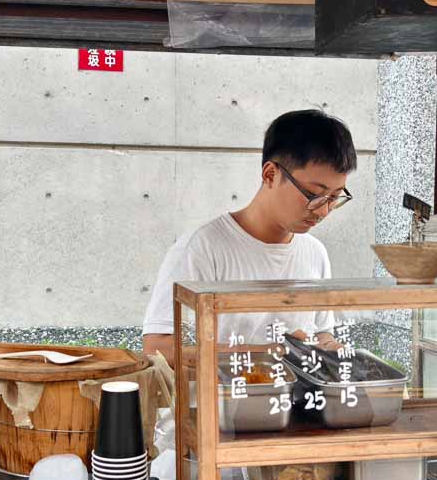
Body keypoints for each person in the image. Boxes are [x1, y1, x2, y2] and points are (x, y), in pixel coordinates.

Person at [142, 109, 357, 365]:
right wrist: (268, 353)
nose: (323, 211)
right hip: (222, 403)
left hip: (294, 403)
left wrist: (333, 350)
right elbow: (158, 347)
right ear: (270, 175)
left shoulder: (315, 252)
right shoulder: (202, 247)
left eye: (334, 198)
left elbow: (321, 333)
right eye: (313, 195)